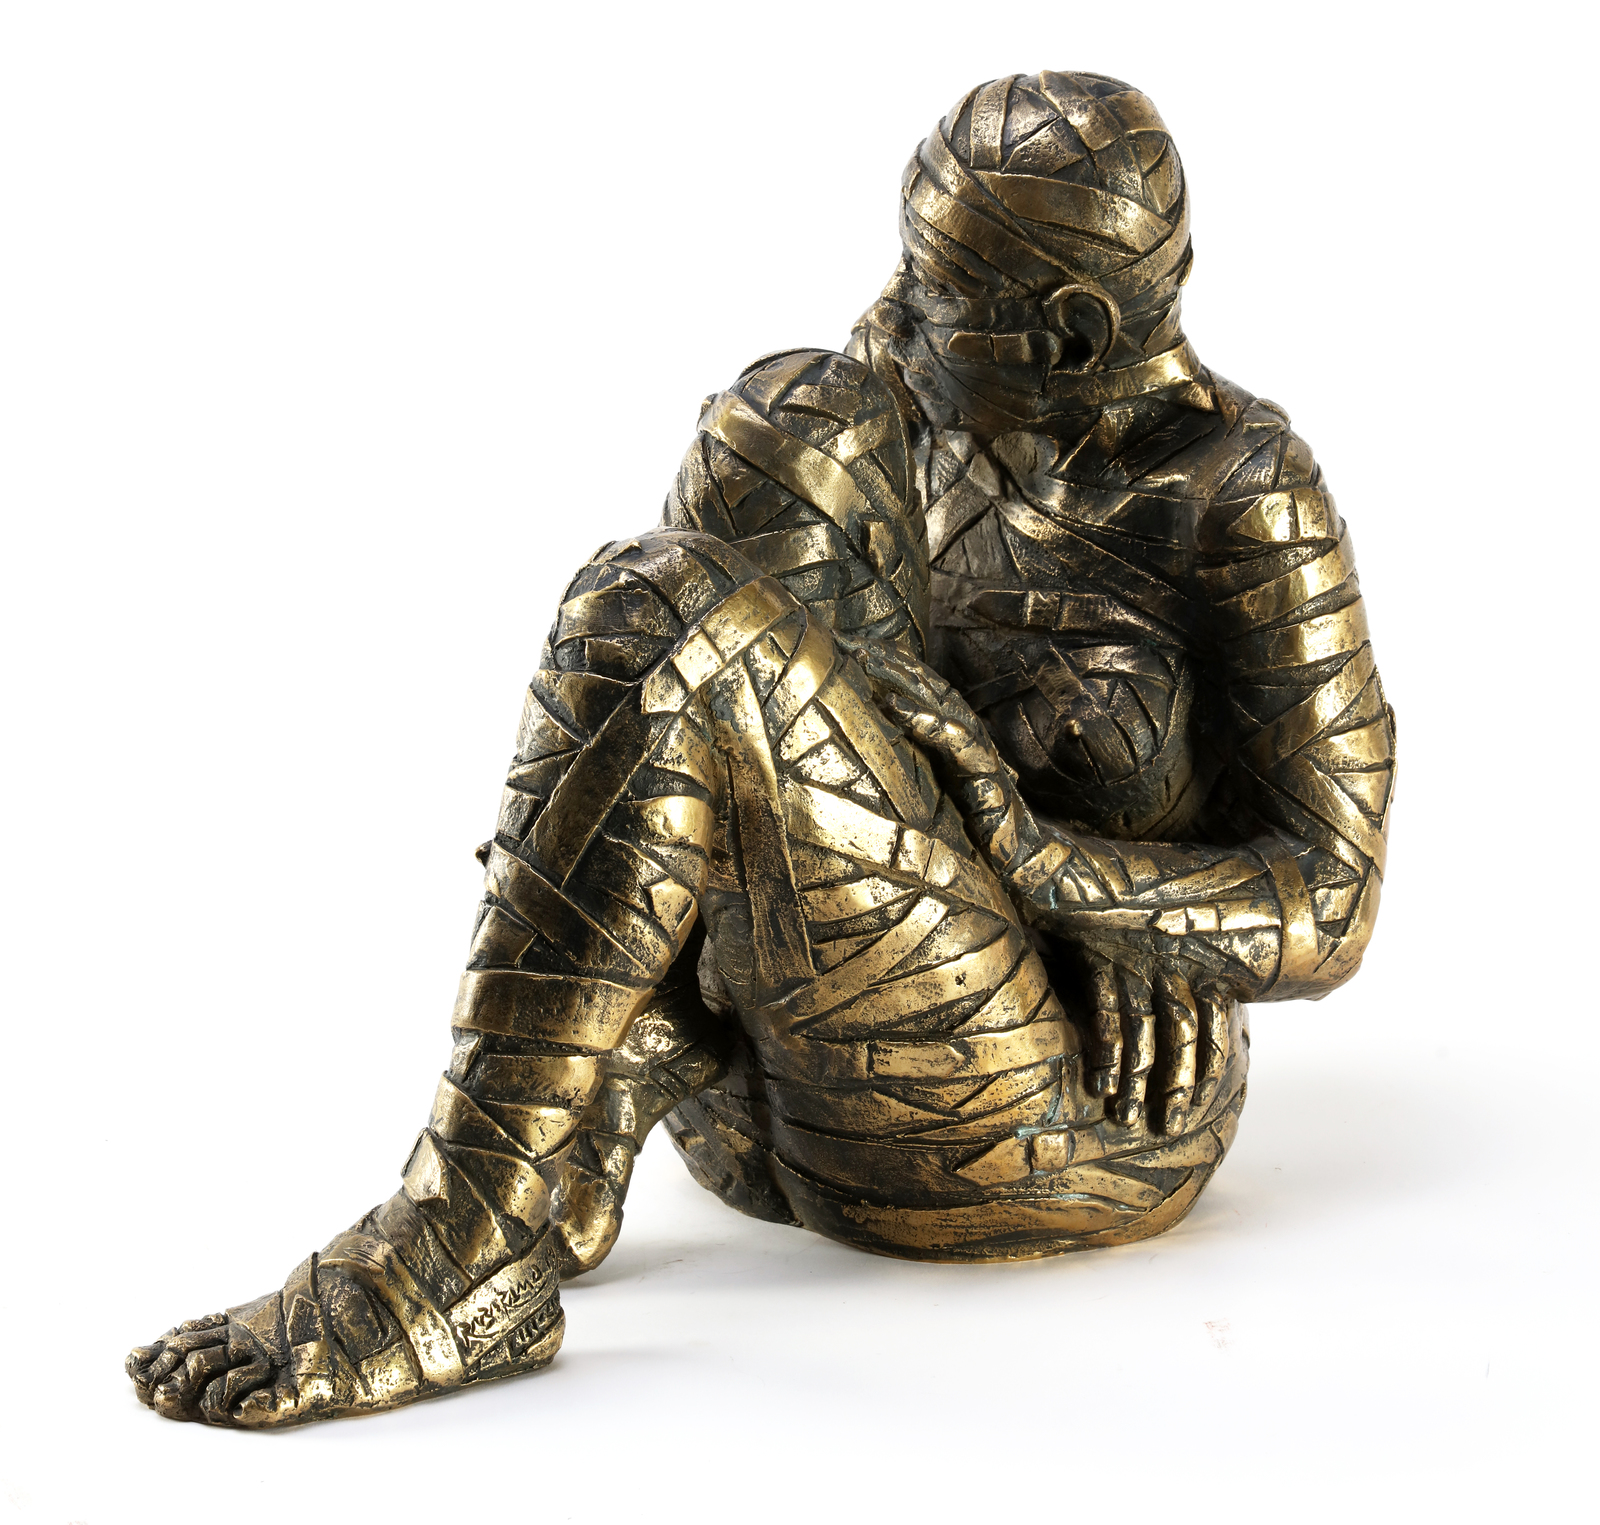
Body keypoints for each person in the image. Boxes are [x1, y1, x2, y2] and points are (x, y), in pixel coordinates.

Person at [126, 73, 1392, 1430]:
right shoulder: (896, 405)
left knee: (671, 611)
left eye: (933, 293)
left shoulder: (1241, 493)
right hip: (751, 1094)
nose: (886, 314)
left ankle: (464, 1236)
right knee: (778, 426)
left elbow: (1332, 897)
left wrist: (1067, 878)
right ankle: (629, 1064)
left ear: (1070, 331)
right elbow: (709, 729)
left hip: (1055, 1107)